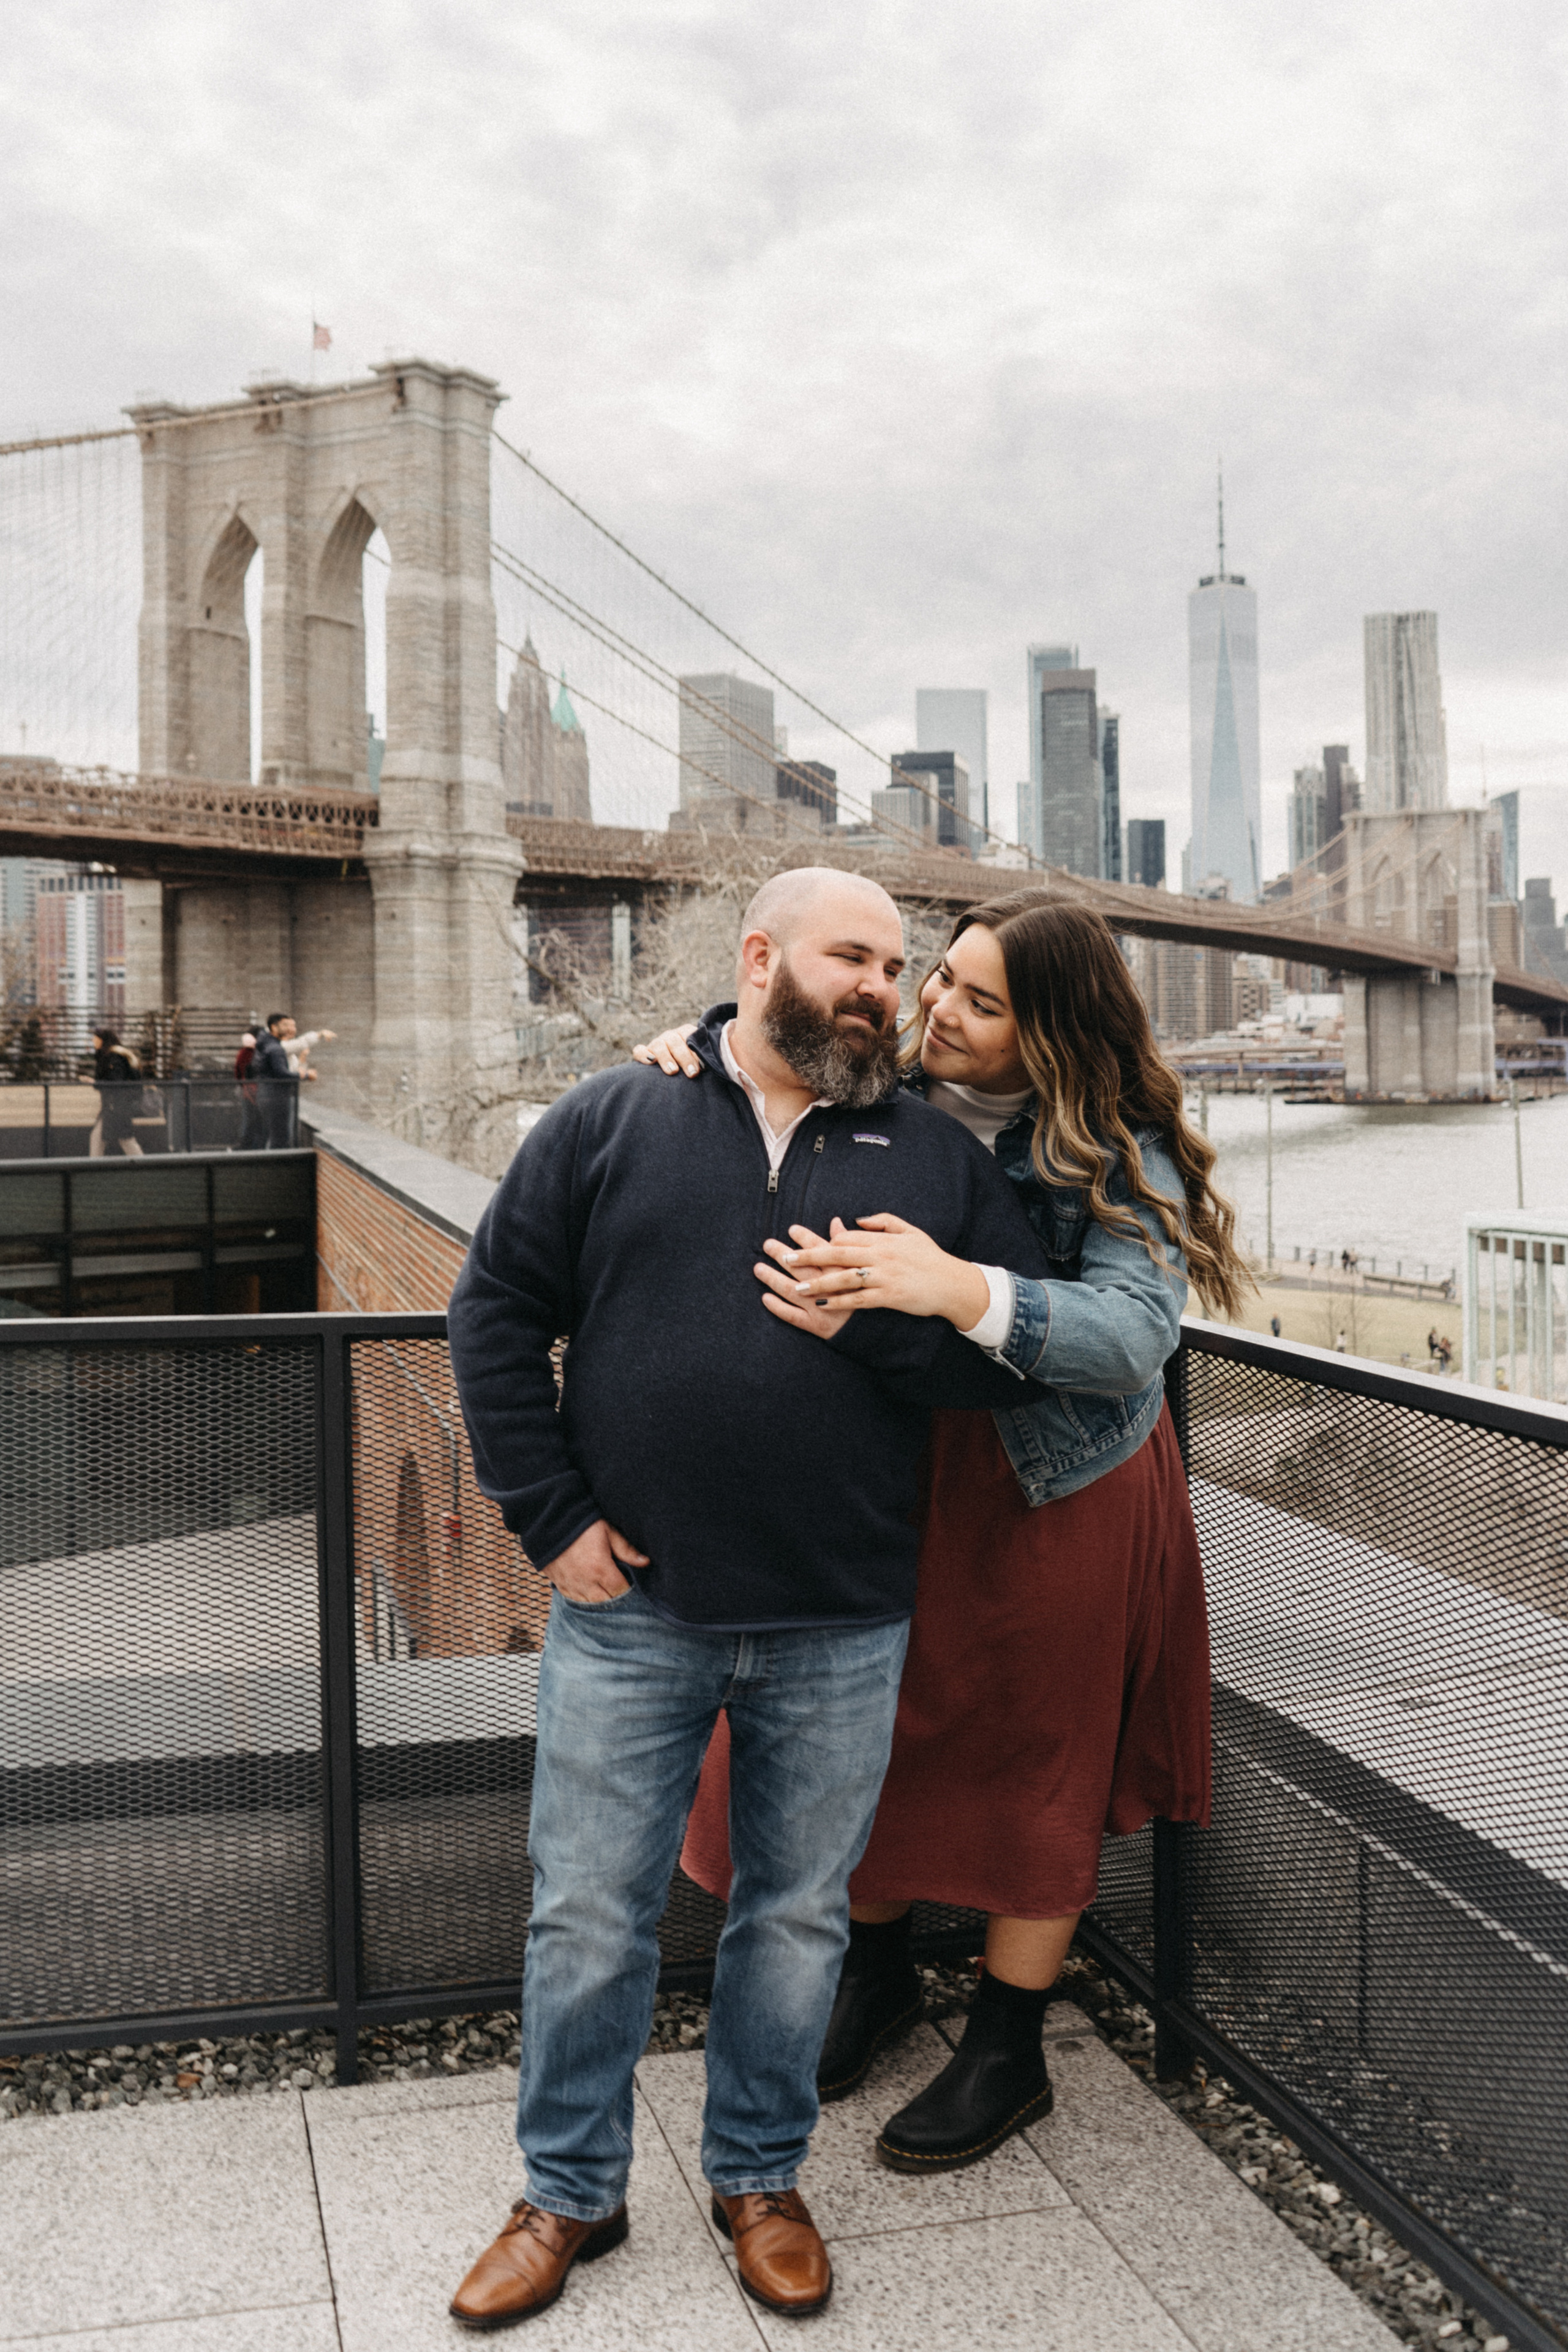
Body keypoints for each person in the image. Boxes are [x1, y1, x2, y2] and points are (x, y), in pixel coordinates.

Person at [443, 869, 1048, 2327]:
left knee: (794, 1917)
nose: (881, 989)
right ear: (759, 957)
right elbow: (494, 1306)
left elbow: (1000, 1354)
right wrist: (549, 1517)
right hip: (634, 1608)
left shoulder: (929, 1155)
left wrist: (889, 1323)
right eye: (852, 956)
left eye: (897, 966)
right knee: (590, 1912)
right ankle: (565, 2192)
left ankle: (760, 2175)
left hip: (841, 1612)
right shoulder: (613, 1113)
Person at [639, 890, 1246, 2175]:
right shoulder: (880, 1088)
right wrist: (688, 1046)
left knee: (1042, 1753)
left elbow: (1134, 1336)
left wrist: (960, 1288)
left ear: (1054, 1034)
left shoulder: (1114, 1142)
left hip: (1053, 1490)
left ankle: (1007, 2042)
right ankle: (873, 1979)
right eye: (939, 984)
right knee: (872, 1733)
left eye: (980, 1002)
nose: (934, 1011)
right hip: (897, 1472)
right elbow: (769, 1045)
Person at [89, 1028, 143, 1157]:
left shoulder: (113, 1057)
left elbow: (115, 1081)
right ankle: (93, 1168)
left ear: (103, 1040)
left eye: (95, 1038)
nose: (93, 1041)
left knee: (125, 1139)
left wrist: (95, 1082)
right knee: (99, 1138)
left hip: (117, 1106)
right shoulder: (111, 1056)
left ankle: (143, 1165)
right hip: (113, 1106)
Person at [249, 1014, 296, 1147]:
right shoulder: (274, 1048)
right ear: (274, 1027)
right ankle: (278, 1165)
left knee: (271, 1134)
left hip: (266, 1095)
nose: (289, 1029)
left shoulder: (265, 1044)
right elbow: (281, 1073)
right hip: (275, 1097)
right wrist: (304, 1076)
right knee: (279, 1136)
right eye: (285, 1025)